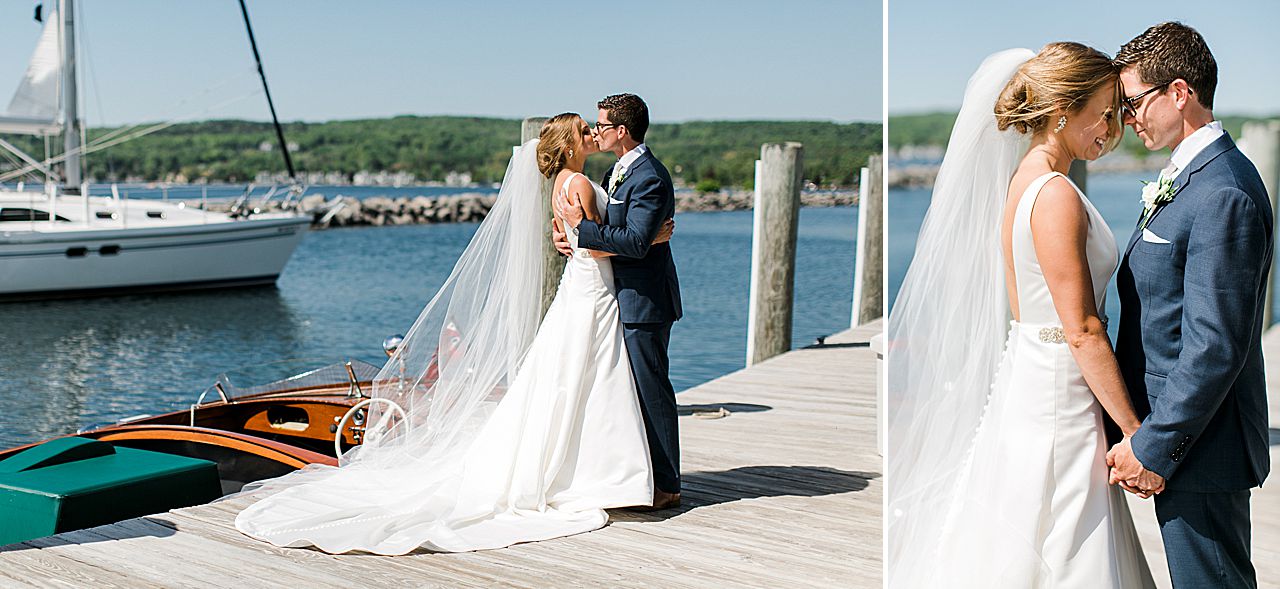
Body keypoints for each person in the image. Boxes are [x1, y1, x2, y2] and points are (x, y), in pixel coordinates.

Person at [233, 113, 673, 555]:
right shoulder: (577, 183)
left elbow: (571, 235)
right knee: (587, 371)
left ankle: (594, 469)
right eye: (584, 130)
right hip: (591, 283)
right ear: (571, 142)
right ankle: (603, 473)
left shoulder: (564, 181)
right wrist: (650, 238)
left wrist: (580, 235)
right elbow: (594, 242)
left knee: (574, 373)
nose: (592, 134)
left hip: (585, 284)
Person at [886, 43, 1154, 587]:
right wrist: (1135, 431)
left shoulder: (1025, 183)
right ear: (1063, 110)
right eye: (1102, 111)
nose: (1111, 126)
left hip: (1035, 373)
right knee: (1063, 535)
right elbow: (1080, 327)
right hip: (1061, 392)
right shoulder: (1054, 193)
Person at [1110, 22, 1271, 588]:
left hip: (1201, 445)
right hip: (1182, 436)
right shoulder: (1189, 174)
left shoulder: (1222, 190)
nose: (1128, 119)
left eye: (1133, 103)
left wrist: (1153, 447)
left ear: (1179, 93)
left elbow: (1215, 345)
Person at [553, 93, 684, 510]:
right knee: (620, 391)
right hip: (612, 293)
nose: (596, 131)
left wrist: (583, 232)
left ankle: (667, 485)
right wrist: (566, 238)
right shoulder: (615, 171)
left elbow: (631, 240)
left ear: (621, 131)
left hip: (643, 300)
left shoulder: (650, 177)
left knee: (651, 390)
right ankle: (632, 475)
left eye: (601, 125)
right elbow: (623, 233)